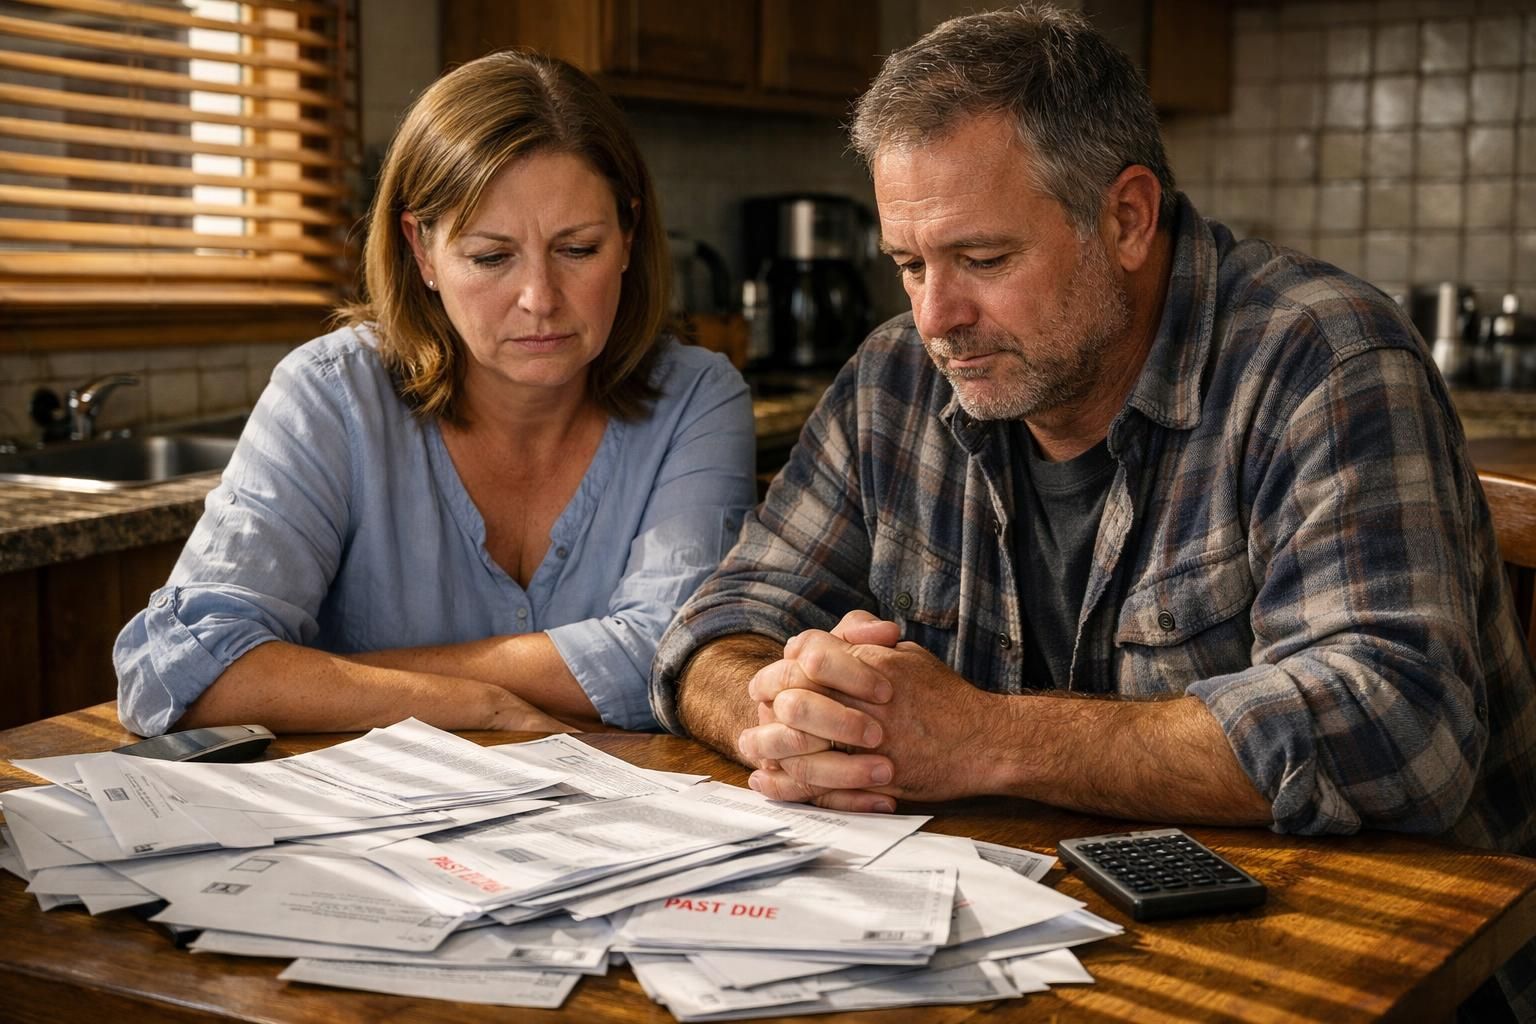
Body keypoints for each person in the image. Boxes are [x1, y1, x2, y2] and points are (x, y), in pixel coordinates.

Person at [649, 6, 1536, 1018]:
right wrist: (793, 714)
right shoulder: (894, 376)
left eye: (982, 261)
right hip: (1041, 952)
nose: (936, 317)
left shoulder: (1321, 356)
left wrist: (982, 736)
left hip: (1365, 971)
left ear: (1126, 218)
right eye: (908, 263)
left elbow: (1401, 725)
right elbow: (708, 633)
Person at [115, 50, 756, 738]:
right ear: (422, 251)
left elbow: (677, 658)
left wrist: (330, 678)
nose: (540, 299)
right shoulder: (330, 395)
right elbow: (177, 666)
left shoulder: (697, 396)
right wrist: (472, 704)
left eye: (579, 249)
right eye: (490, 257)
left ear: (628, 236)